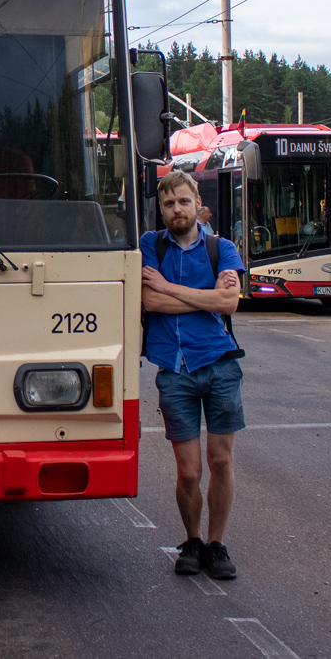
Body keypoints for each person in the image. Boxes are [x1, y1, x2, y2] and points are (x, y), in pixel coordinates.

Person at [140, 170, 246, 580]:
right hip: (174, 372)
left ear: (197, 203)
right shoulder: (151, 245)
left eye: (183, 201)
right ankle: (193, 539)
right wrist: (203, 301)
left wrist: (170, 287)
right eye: (169, 204)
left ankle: (217, 544)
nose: (177, 209)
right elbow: (151, 301)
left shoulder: (222, 249)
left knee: (220, 461)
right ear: (161, 209)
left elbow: (230, 302)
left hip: (220, 367)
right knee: (188, 471)